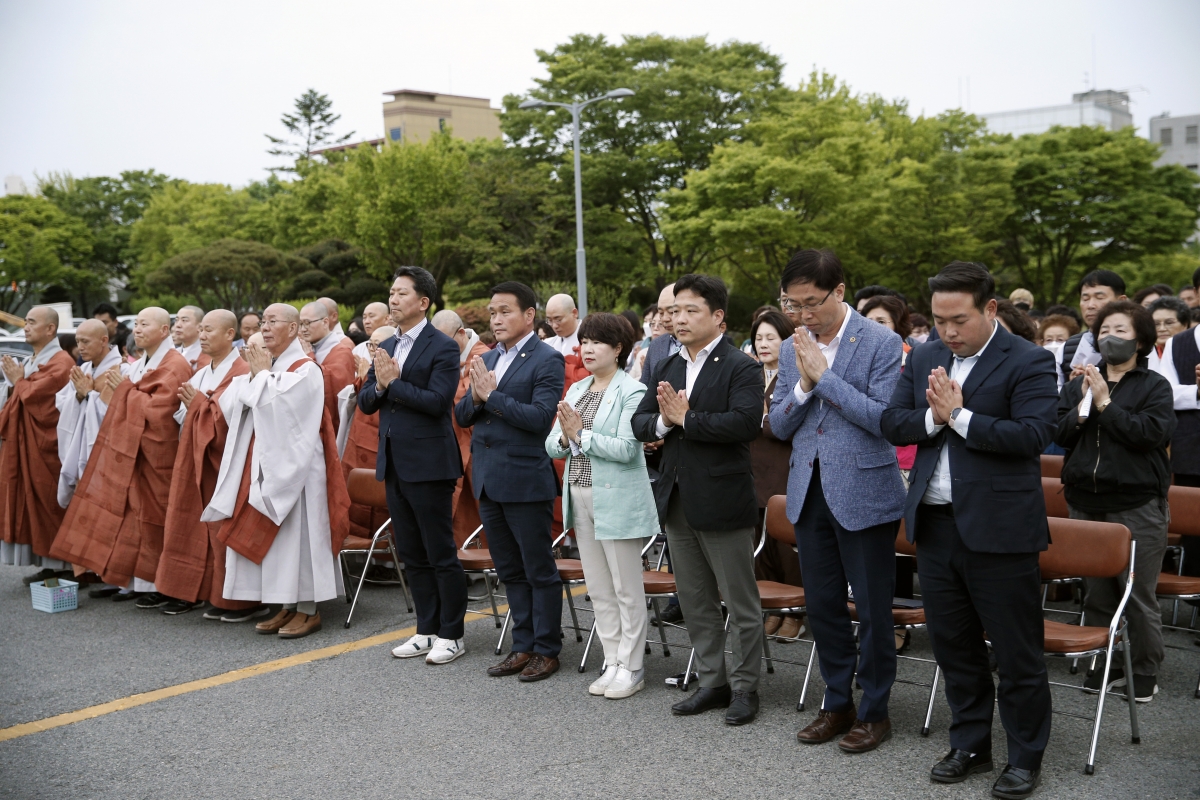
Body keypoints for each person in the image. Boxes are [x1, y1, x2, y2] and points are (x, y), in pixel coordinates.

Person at [881, 261, 1058, 799]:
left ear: (990, 309)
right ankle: (971, 745)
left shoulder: (1028, 359)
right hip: (935, 526)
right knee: (954, 646)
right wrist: (934, 419)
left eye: (959, 320)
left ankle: (1024, 757)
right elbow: (893, 421)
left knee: (1016, 652)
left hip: (1000, 531)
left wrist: (959, 418)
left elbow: (1033, 435)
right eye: (939, 320)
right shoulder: (926, 356)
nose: (948, 331)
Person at [769, 251, 906, 752]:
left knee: (871, 608)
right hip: (809, 490)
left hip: (865, 490)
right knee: (823, 605)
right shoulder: (792, 347)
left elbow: (883, 418)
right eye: (792, 304)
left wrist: (824, 378)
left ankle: (874, 711)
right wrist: (804, 386)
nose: (803, 314)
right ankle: (836, 702)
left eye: (812, 302)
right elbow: (779, 424)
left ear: (840, 291)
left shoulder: (881, 341)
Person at [632, 273, 764, 725]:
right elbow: (641, 421)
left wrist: (688, 419)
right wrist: (665, 424)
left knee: (739, 602)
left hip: (723, 497)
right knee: (694, 600)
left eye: (691, 310)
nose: (679, 319)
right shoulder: (667, 364)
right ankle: (713, 682)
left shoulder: (741, 365)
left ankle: (745, 688)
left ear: (718, 316)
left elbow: (745, 423)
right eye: (674, 311)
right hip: (677, 496)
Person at [201, 304, 350, 639]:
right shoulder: (270, 366)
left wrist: (260, 377)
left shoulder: (307, 369)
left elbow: (287, 412)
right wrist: (259, 377)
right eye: (262, 322)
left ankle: (308, 609)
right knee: (280, 544)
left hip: (300, 471)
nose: (264, 328)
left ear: (293, 329)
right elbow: (234, 402)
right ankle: (286, 604)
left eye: (272, 322)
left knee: (301, 540)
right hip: (269, 466)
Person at [1054, 300, 1174, 704]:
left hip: (1135, 502)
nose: (1111, 338)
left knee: (1135, 593)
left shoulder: (1154, 386)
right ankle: (1106, 663)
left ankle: (1143, 669)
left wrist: (1106, 404)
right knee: (1097, 592)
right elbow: (1059, 433)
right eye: (1104, 331)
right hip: (1085, 500)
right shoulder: (1079, 382)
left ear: (1140, 341)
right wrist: (1084, 406)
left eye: (1120, 331)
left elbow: (1149, 435)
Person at [454, 282, 566, 681]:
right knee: (509, 570)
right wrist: (477, 396)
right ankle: (523, 645)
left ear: (529, 315)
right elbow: (462, 415)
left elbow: (540, 418)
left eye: (505, 311)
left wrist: (492, 397)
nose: (496, 319)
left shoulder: (547, 359)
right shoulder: (487, 358)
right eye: (492, 312)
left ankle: (547, 649)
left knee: (538, 568)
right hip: (488, 478)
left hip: (525, 478)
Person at [545, 312, 656, 699]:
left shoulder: (632, 391)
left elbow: (627, 449)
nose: (587, 349)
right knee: (598, 587)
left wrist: (581, 435)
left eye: (596, 342)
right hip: (580, 493)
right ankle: (612, 660)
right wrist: (566, 438)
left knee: (626, 587)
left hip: (617, 497)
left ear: (618, 348)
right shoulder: (577, 388)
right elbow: (553, 444)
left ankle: (632, 665)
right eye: (584, 342)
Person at [360, 267, 468, 665]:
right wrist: (380, 384)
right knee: (411, 552)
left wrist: (393, 384)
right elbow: (366, 401)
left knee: (440, 551)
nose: (393, 299)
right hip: (394, 462)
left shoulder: (442, 346)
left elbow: (439, 403)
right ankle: (426, 629)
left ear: (423, 302)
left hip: (430, 463)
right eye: (391, 292)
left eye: (401, 293)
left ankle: (452, 634)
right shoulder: (387, 344)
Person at [50, 308, 193, 603]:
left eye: (144, 324)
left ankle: (164, 586)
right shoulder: (139, 365)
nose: (137, 329)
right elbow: (120, 403)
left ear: (164, 330)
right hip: (134, 454)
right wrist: (109, 394)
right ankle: (140, 583)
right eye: (136, 324)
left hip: (158, 456)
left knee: (157, 520)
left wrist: (126, 392)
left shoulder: (174, 364)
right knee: (135, 522)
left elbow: (162, 411)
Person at [155, 311, 264, 620]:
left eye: (208, 330)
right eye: (200, 330)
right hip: (199, 458)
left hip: (229, 462)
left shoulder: (243, 370)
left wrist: (200, 406)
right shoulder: (202, 373)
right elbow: (182, 414)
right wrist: (198, 407)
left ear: (230, 334)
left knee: (225, 530)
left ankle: (240, 601)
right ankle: (207, 593)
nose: (201, 335)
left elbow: (240, 419)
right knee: (195, 526)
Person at [0, 307, 77, 582]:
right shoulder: (33, 359)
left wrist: (18, 382)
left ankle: (68, 566)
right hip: (28, 446)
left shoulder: (61, 362)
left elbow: (43, 403)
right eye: (26, 322)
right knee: (35, 504)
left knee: (51, 502)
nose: (26, 326)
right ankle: (50, 565)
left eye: (32, 322)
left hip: (49, 447)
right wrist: (14, 385)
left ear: (50, 329)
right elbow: (19, 395)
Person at [747, 309, 804, 641]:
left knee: (786, 546)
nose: (763, 344)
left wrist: (762, 420)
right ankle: (772, 610)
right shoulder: (751, 376)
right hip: (753, 470)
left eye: (771, 337)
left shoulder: (796, 377)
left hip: (784, 469)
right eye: (758, 338)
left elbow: (786, 425)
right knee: (760, 544)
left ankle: (795, 612)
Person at [1154, 266, 1200, 575]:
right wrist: (1197, 392)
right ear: (1196, 293)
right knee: (1195, 531)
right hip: (1191, 450)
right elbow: (1165, 392)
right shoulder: (1177, 343)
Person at [430, 310, 489, 543]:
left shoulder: (484, 356)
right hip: (448, 444)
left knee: (476, 509)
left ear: (462, 333)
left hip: (475, 445)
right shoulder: (442, 356)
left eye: (445, 341)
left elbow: (462, 397)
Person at [341, 324, 396, 540]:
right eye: (370, 345)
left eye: (377, 345)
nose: (372, 350)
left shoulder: (398, 371)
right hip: (360, 446)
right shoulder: (368, 371)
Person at [1061, 270, 1127, 381]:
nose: (1090, 305)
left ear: (1121, 301)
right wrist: (1073, 386)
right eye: (1085, 299)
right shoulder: (1066, 348)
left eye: (1099, 297)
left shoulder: (1138, 345)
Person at [300, 300, 356, 428]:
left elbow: (335, 392)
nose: (303, 329)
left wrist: (309, 357)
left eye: (307, 323)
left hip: (331, 423)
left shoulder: (342, 352)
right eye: (301, 324)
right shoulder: (306, 348)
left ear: (325, 322)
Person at [639, 283, 680, 388]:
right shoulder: (656, 345)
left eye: (671, 311)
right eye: (661, 313)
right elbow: (644, 386)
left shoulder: (700, 343)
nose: (665, 319)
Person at [1035, 314, 1080, 392]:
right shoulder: (1035, 366)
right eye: (1049, 340)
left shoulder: (1076, 366)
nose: (1054, 344)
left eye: (1060, 340)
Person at [1147, 296, 1190, 372]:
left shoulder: (1195, 351)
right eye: (1156, 324)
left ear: (1184, 325)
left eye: (1169, 323)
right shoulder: (1145, 355)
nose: (1162, 329)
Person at [173, 305, 205, 370]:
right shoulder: (173, 353)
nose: (178, 325)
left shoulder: (206, 354)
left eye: (184, 320)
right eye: (176, 320)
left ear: (199, 327)